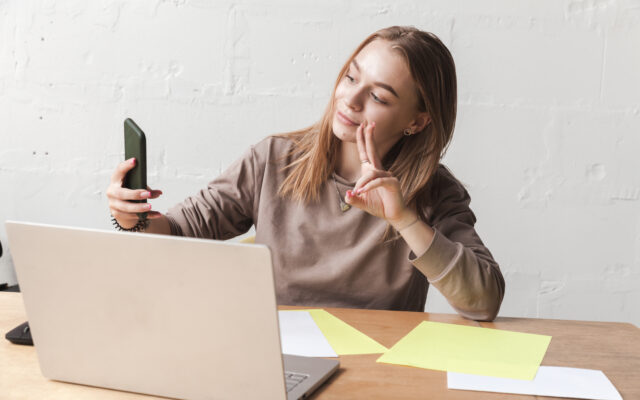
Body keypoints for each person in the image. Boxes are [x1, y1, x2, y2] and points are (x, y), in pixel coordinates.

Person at [107, 26, 505, 321]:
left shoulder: (434, 192)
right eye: (351, 77)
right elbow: (179, 229)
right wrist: (132, 218)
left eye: (379, 97)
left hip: (377, 371)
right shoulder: (274, 160)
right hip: (276, 359)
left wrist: (404, 219)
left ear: (416, 122)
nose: (350, 98)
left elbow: (484, 302)